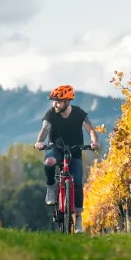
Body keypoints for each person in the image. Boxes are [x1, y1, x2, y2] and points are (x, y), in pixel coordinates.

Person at [33, 85, 99, 232]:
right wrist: (39, 142)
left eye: (58, 101)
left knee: (77, 183)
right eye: (54, 101)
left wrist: (94, 142)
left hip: (75, 151)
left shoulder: (79, 113)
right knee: (49, 162)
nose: (55, 104)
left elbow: (91, 130)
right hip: (55, 148)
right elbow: (44, 130)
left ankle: (79, 220)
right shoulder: (51, 113)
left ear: (67, 101)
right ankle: (50, 187)